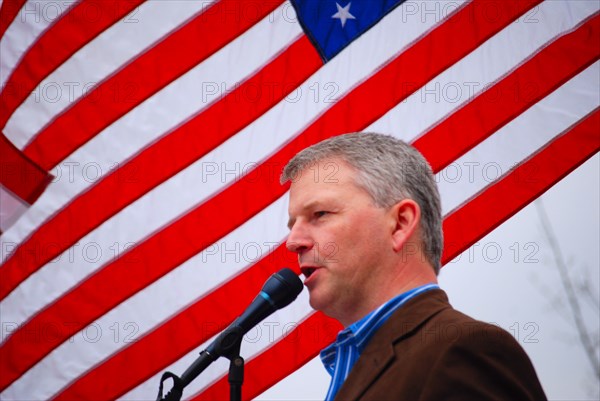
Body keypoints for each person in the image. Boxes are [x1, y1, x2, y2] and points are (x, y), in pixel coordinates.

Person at [280, 132, 547, 401]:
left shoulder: (464, 351)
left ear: (400, 224)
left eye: (320, 214)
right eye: (293, 225)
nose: (293, 242)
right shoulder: (357, 367)